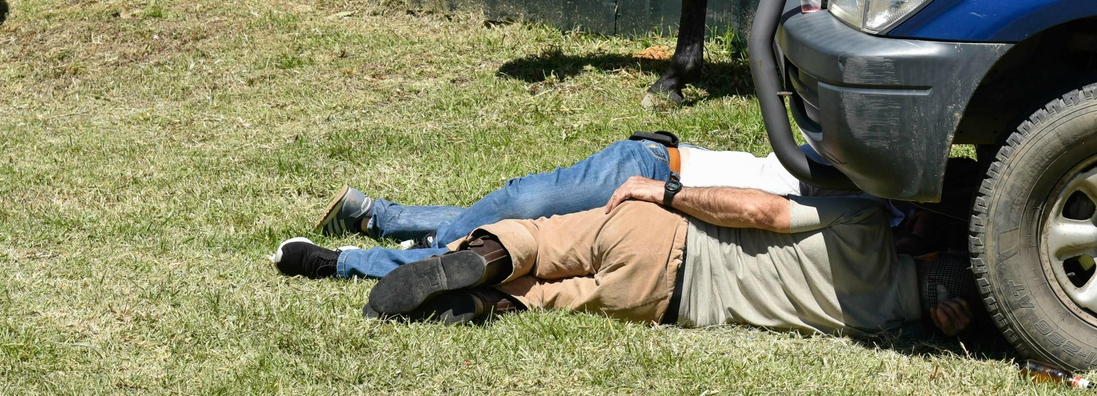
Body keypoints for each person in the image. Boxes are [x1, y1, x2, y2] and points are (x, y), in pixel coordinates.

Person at [359, 174, 978, 338]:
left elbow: (761, 213)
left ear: (926, 257)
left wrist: (670, 193)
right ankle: (483, 300)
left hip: (664, 238)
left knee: (541, 240)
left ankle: (484, 258)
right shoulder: (885, 326)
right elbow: (931, 321)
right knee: (542, 301)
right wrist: (941, 321)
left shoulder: (864, 224)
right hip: (662, 306)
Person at [272, 134, 817, 280]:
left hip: (665, 228)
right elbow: (762, 209)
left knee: (510, 249)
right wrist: (666, 191)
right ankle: (387, 249)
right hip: (656, 172)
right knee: (515, 207)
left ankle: (375, 222)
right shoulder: (853, 170)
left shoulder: (869, 219)